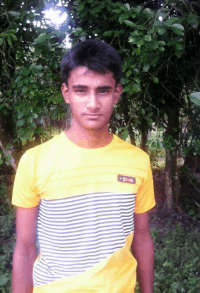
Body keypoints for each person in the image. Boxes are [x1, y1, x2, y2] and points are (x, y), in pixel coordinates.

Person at [12, 39, 155, 293]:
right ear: (66, 93)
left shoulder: (138, 162)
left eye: (102, 90)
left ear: (116, 93)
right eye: (81, 90)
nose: (92, 103)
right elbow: (24, 247)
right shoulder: (34, 161)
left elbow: (142, 238)